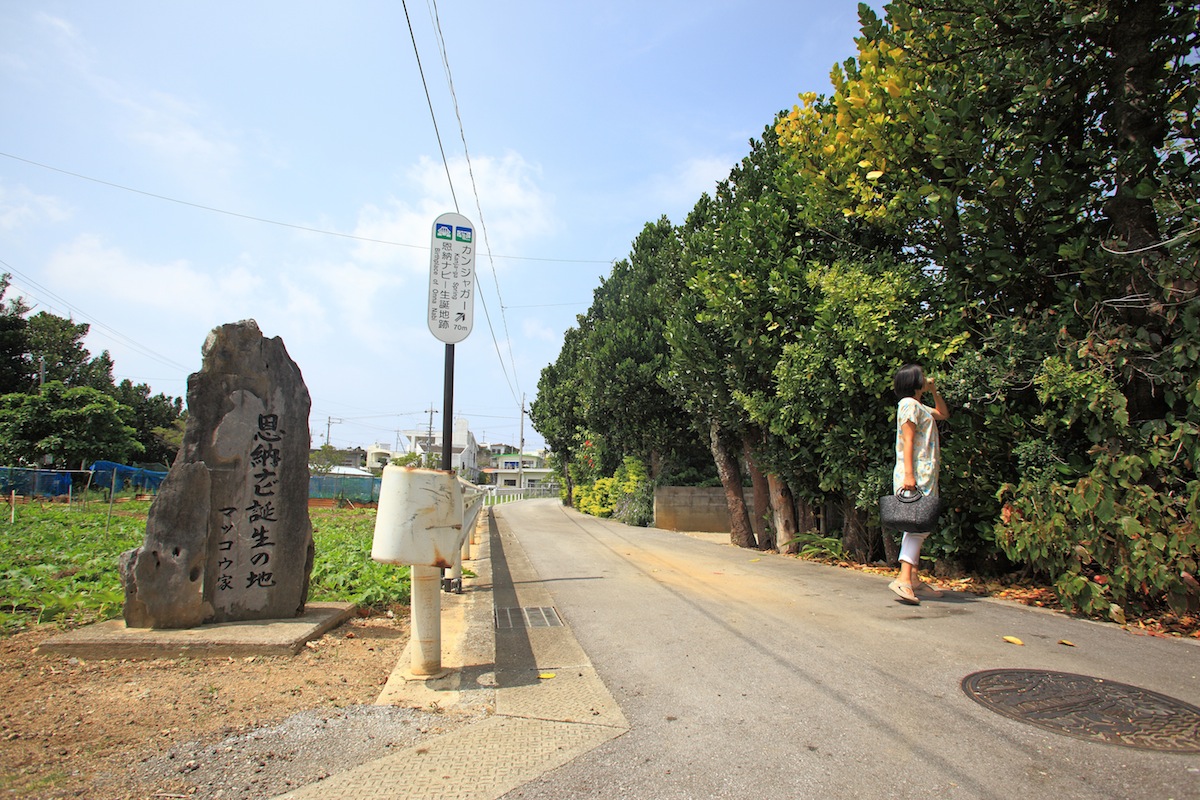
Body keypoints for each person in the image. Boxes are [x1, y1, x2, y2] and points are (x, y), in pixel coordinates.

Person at [888, 364, 950, 605]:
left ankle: (912, 579)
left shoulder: (919, 406)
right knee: (918, 526)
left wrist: (934, 391)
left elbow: (942, 413)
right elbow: (908, 440)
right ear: (913, 381)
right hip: (915, 474)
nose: (926, 378)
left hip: (925, 473)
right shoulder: (908, 405)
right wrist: (909, 476)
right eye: (922, 377)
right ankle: (904, 579)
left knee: (916, 524)